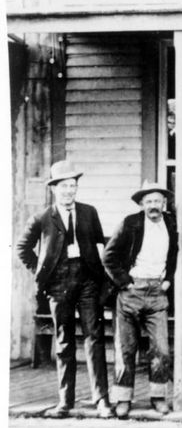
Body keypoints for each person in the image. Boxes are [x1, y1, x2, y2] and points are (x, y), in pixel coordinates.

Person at [15, 160, 113, 419]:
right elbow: (22, 248)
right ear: (54, 189)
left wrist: (100, 275)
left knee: (95, 337)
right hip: (59, 285)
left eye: (73, 185)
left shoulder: (89, 212)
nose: (70, 191)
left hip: (88, 282)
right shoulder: (43, 218)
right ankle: (65, 401)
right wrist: (42, 271)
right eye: (64, 186)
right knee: (64, 341)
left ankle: (101, 399)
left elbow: (100, 244)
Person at [102, 181, 178, 418]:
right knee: (126, 349)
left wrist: (168, 281)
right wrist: (125, 282)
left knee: (162, 349)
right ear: (141, 204)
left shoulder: (172, 223)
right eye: (148, 201)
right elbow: (108, 257)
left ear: (163, 203)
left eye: (157, 201)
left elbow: (176, 253)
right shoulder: (130, 223)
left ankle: (158, 397)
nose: (153, 206)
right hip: (131, 292)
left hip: (158, 292)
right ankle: (123, 399)